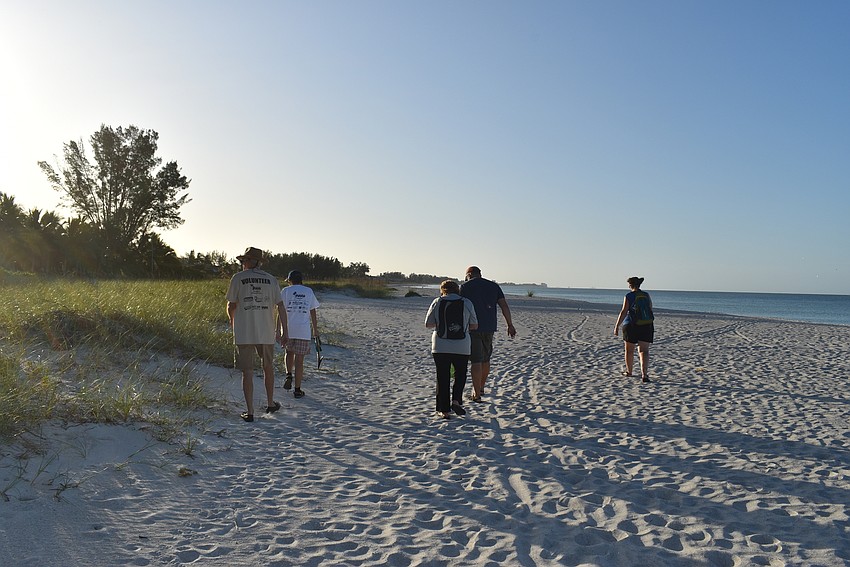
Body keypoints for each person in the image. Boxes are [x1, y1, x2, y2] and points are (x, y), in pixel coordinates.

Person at [226, 246, 287, 422]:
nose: (242, 263)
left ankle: (250, 411)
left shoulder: (238, 278)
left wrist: (232, 320)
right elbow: (280, 306)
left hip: (244, 331)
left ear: (250, 261)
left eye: (243, 260)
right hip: (266, 331)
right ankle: (269, 403)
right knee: (267, 367)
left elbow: (231, 304)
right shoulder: (271, 279)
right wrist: (285, 331)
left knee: (248, 371)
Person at [460, 266, 516, 402]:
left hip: (472, 328)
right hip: (489, 327)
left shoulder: (465, 287)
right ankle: (481, 387)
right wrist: (510, 324)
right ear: (480, 274)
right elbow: (504, 306)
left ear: (468, 275)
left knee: (476, 360)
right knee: (486, 359)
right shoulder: (493, 286)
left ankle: (476, 393)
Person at [425, 280, 478, 419]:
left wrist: (442, 324)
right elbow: (474, 325)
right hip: (462, 346)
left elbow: (428, 324)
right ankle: (456, 401)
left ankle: (444, 410)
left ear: (443, 290)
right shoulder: (467, 302)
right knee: (460, 374)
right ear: (457, 290)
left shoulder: (437, 302)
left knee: (442, 376)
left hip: (440, 345)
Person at [281, 270, 320, 399]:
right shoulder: (308, 291)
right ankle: (297, 390)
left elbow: (280, 311)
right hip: (303, 331)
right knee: (299, 361)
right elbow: (312, 311)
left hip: (288, 329)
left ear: (289, 280)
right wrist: (315, 329)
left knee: (288, 353)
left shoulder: (285, 291)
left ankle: (288, 374)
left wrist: (278, 330)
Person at [613, 276, 655, 383]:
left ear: (630, 285)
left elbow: (624, 311)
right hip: (646, 325)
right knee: (644, 351)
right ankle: (644, 374)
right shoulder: (646, 295)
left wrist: (617, 325)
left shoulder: (629, 296)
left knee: (629, 350)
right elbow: (650, 309)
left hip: (631, 325)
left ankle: (629, 371)